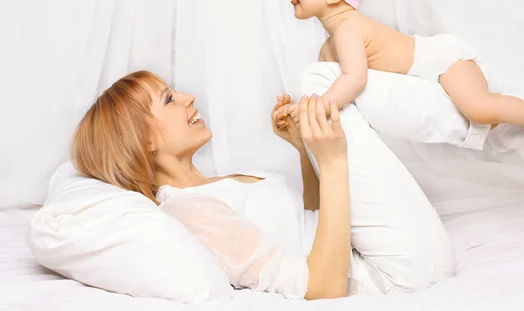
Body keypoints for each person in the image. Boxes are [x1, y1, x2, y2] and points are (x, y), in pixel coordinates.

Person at [71, 70, 454, 299]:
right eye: (169, 99)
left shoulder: (213, 185)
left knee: (324, 84)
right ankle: (468, 109)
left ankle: (464, 101)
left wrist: (304, 150)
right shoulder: (190, 211)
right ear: (145, 141)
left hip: (386, 252)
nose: (188, 98)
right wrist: (333, 161)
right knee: (319, 79)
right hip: (397, 274)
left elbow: (311, 224)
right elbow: (320, 287)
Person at [281, 0, 524, 159]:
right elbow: (328, 85)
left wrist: (319, 107)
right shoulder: (330, 46)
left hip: (443, 61)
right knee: (481, 122)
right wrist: (300, 109)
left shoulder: (348, 29)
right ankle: (515, 121)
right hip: (429, 75)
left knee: (478, 109)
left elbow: (354, 79)